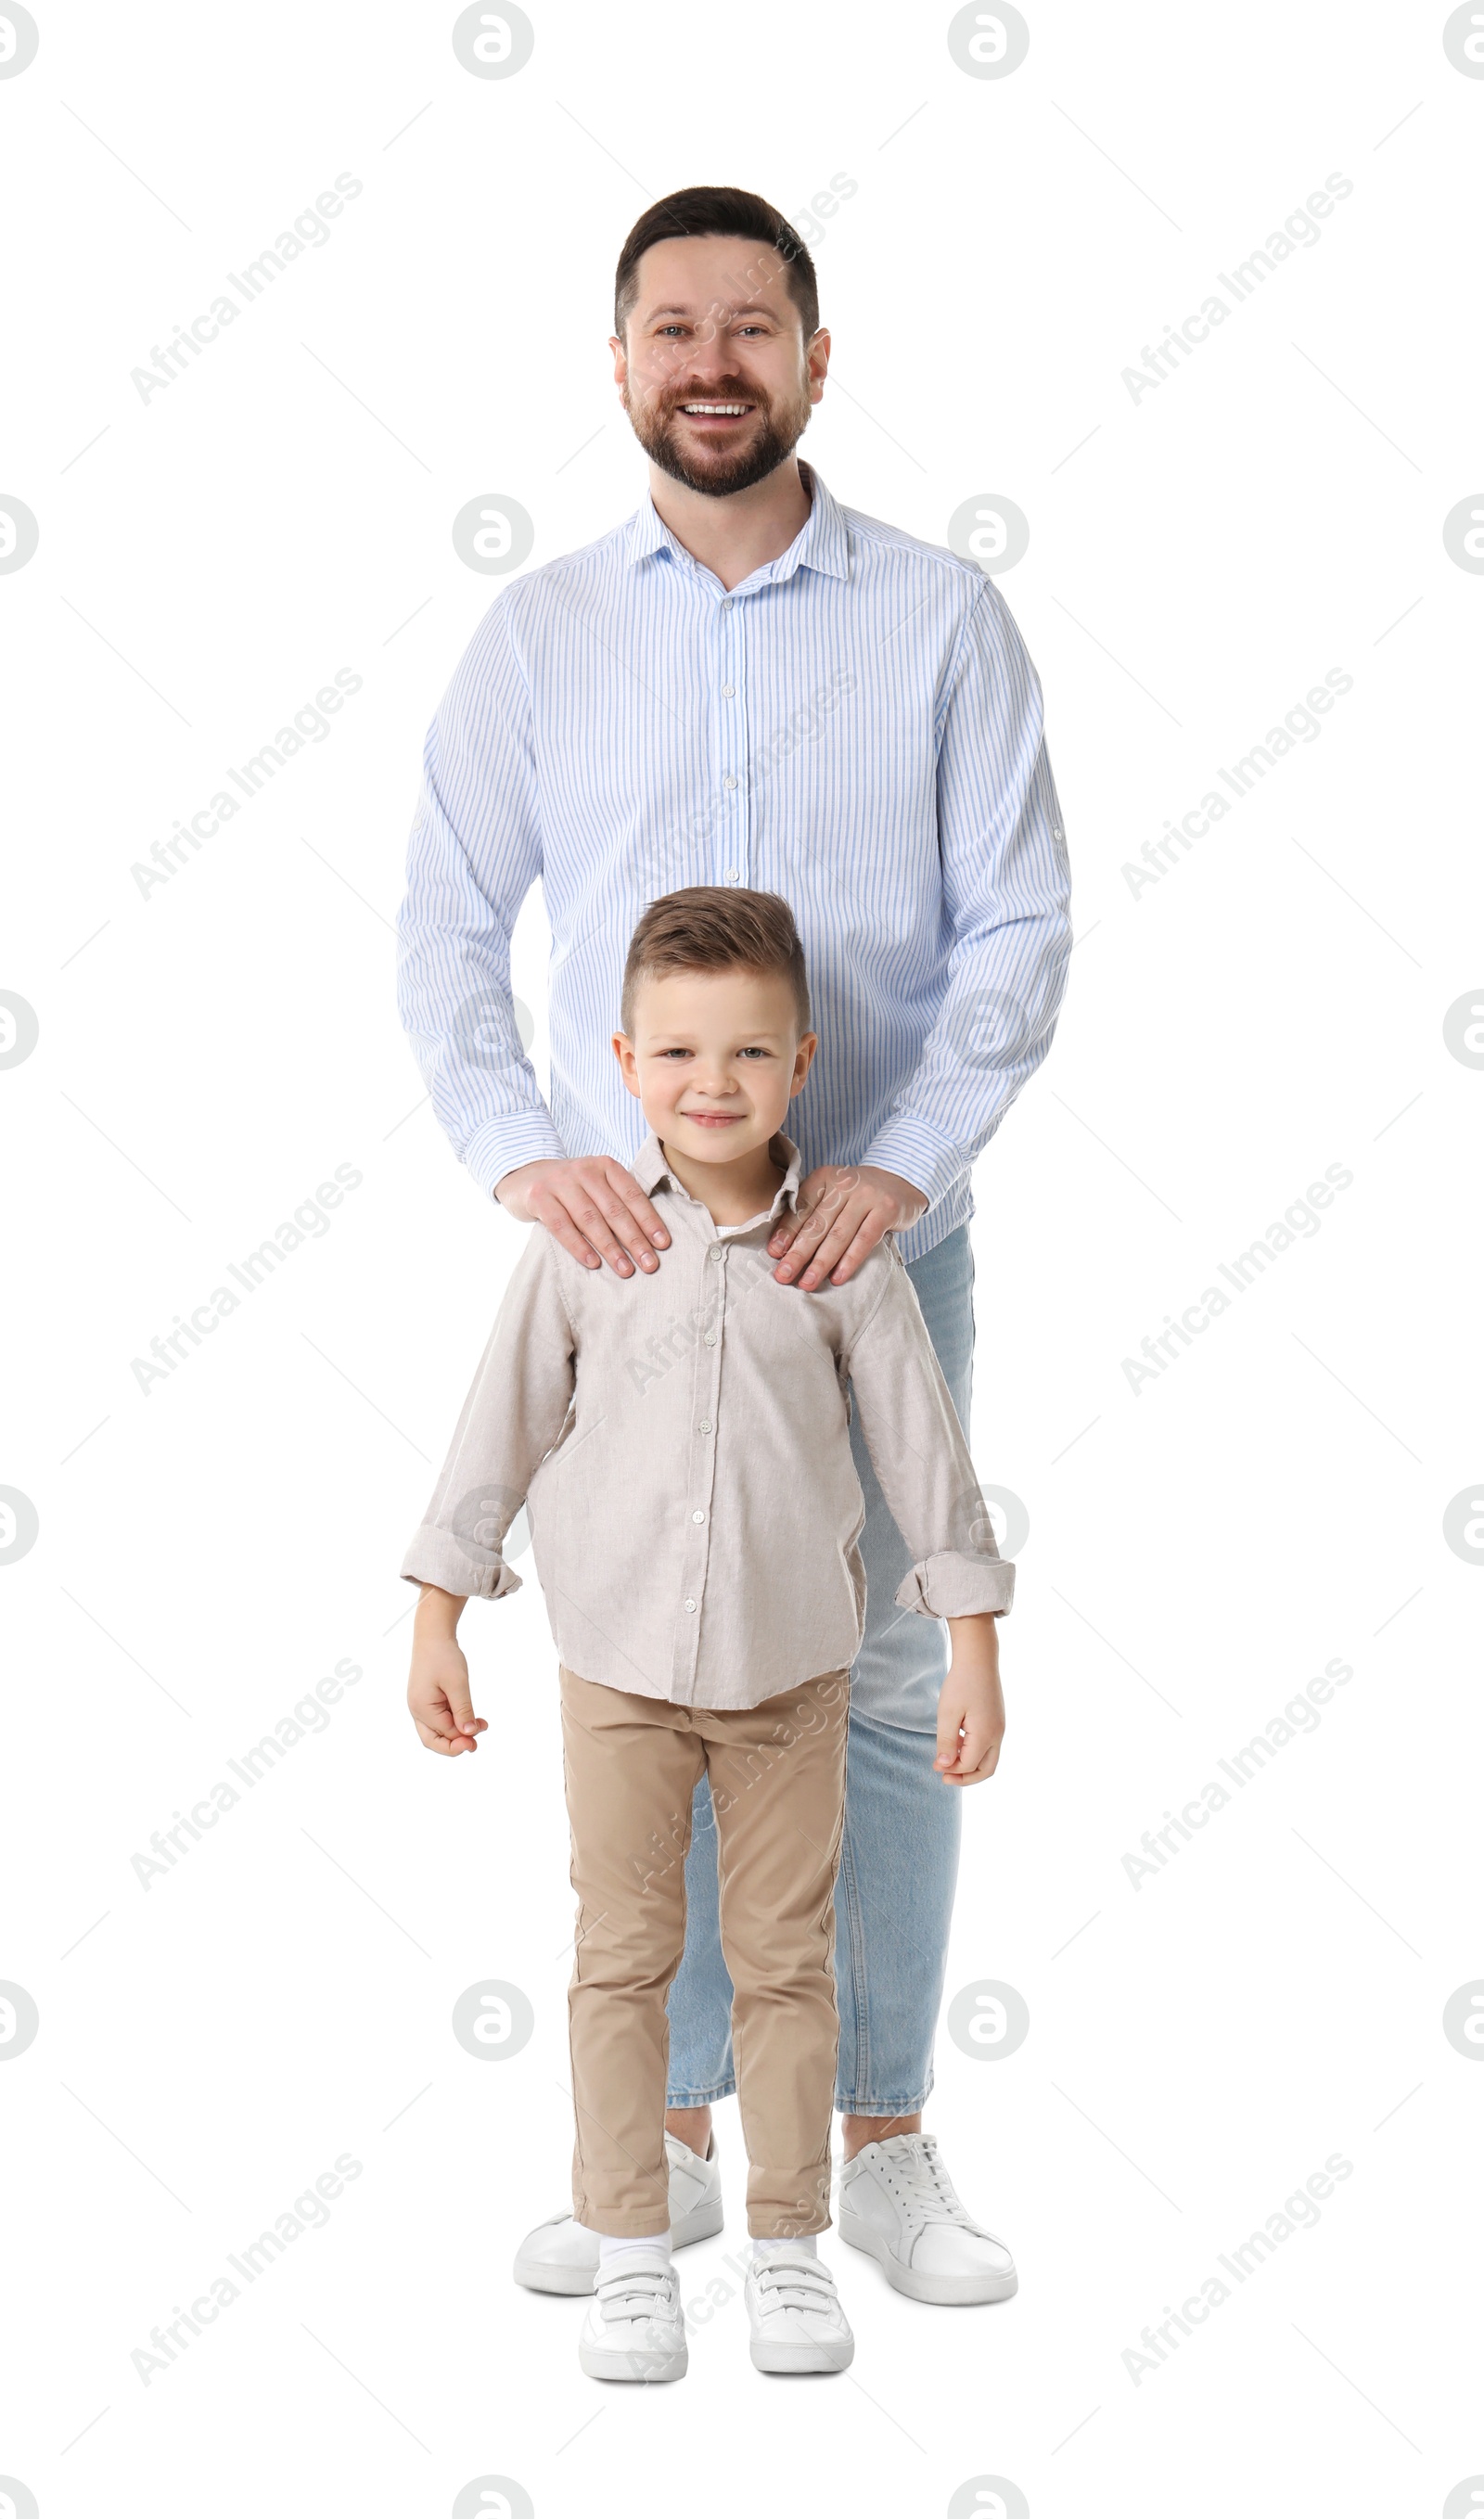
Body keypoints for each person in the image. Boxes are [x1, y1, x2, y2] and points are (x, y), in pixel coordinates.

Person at [395, 182, 1070, 2309]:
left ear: (812, 356)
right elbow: (440, 923)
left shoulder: (945, 618)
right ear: (617, 365)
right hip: (626, 1271)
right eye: (669, 328)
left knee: (861, 1672)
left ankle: (870, 2137)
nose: (710, 362)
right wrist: (525, 1154)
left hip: (864, 1244)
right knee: (637, 1651)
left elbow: (1016, 928)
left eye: (749, 327)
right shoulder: (541, 635)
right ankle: (670, 2147)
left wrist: (908, 1158)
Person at [402, 889, 1017, 2379]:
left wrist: (977, 1647)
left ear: (802, 1061)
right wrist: (438, 1614)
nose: (714, 1083)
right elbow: (495, 1433)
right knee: (619, 1950)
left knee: (784, 1957)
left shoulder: (847, 1266)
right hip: (613, 1671)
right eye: (679, 1051)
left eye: (748, 1051)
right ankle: (630, 2240)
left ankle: (792, 2243)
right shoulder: (584, 1247)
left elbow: (929, 1465)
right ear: (623, 1057)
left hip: (792, 1677)